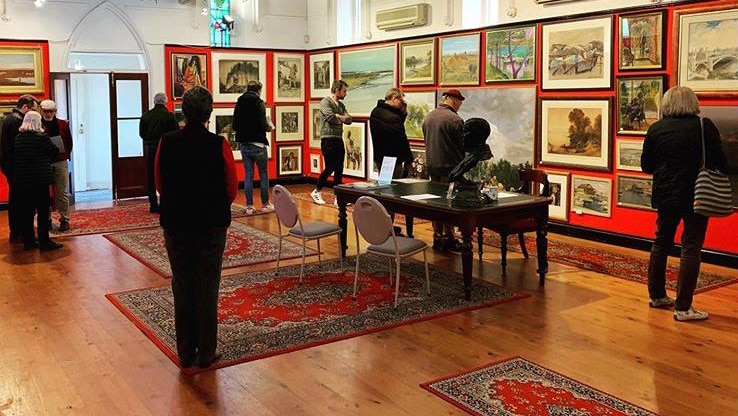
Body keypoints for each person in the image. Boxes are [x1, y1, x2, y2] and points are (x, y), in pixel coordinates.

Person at [155, 86, 238, 368]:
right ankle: (207, 351)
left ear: (183, 112)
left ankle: (185, 351)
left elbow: (160, 185)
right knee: (207, 284)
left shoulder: (167, 142)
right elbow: (230, 187)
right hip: (211, 224)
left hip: (176, 222)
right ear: (210, 112)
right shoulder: (219, 144)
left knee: (182, 284)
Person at [641, 85, 728, 322]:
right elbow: (719, 161)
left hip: (666, 195)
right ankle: (683, 307)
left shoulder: (656, 129)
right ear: (693, 103)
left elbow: (646, 166)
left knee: (661, 243)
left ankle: (657, 296)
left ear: (667, 104)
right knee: (691, 247)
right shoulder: (703, 126)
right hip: (697, 195)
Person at [12, 111, 63, 251]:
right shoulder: (42, 137)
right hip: (40, 180)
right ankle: (44, 242)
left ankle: (29, 242)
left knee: (27, 212)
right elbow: (54, 151)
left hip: (23, 181)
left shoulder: (18, 138)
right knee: (42, 211)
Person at [422, 89, 465, 251]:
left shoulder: (429, 117)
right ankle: (449, 237)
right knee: (449, 204)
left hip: (433, 168)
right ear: (453, 100)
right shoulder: (455, 120)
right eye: (460, 101)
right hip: (451, 170)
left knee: (435, 203)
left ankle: (437, 236)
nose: (460, 105)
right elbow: (463, 147)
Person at [369, 87, 415, 237]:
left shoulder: (375, 111)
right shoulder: (393, 117)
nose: (402, 103)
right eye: (401, 100)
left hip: (380, 157)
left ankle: (384, 225)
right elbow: (401, 139)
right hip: (393, 160)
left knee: (384, 192)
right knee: (393, 195)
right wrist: (409, 160)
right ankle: (388, 229)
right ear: (394, 98)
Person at [1, 94, 39, 243]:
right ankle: (23, 231)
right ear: (25, 107)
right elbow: (21, 147)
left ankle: (15, 230)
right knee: (23, 201)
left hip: (9, 165)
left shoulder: (8, 119)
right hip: (18, 167)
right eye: (33, 110)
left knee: (16, 199)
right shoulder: (17, 121)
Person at [232, 80, 273, 215]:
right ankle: (265, 204)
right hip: (258, 144)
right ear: (258, 90)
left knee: (248, 175)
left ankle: (249, 206)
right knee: (263, 174)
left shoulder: (239, 101)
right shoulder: (259, 102)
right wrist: (270, 127)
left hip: (244, 144)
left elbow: (234, 125)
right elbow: (263, 123)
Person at [311, 79, 352, 205]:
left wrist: (339, 116)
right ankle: (316, 191)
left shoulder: (341, 105)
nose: (346, 94)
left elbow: (349, 119)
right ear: (337, 90)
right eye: (344, 91)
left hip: (338, 138)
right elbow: (331, 118)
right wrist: (340, 117)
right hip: (328, 139)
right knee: (330, 167)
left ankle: (338, 197)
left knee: (339, 168)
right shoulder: (325, 102)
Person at [139, 92, 179, 213]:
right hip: (165, 148)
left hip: (150, 149)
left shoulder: (146, 116)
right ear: (165, 102)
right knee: (166, 176)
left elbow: (142, 134)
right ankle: (164, 203)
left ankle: (153, 204)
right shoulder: (170, 116)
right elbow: (175, 133)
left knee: (151, 177)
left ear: (154, 102)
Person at [39, 100, 74, 232]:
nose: (48, 114)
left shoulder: (62, 124)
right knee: (43, 192)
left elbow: (69, 142)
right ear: (41, 111)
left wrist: (64, 155)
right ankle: (46, 219)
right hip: (43, 162)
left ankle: (65, 219)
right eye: (45, 111)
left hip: (60, 161)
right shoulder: (38, 124)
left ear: (55, 111)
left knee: (61, 192)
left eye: (50, 111)